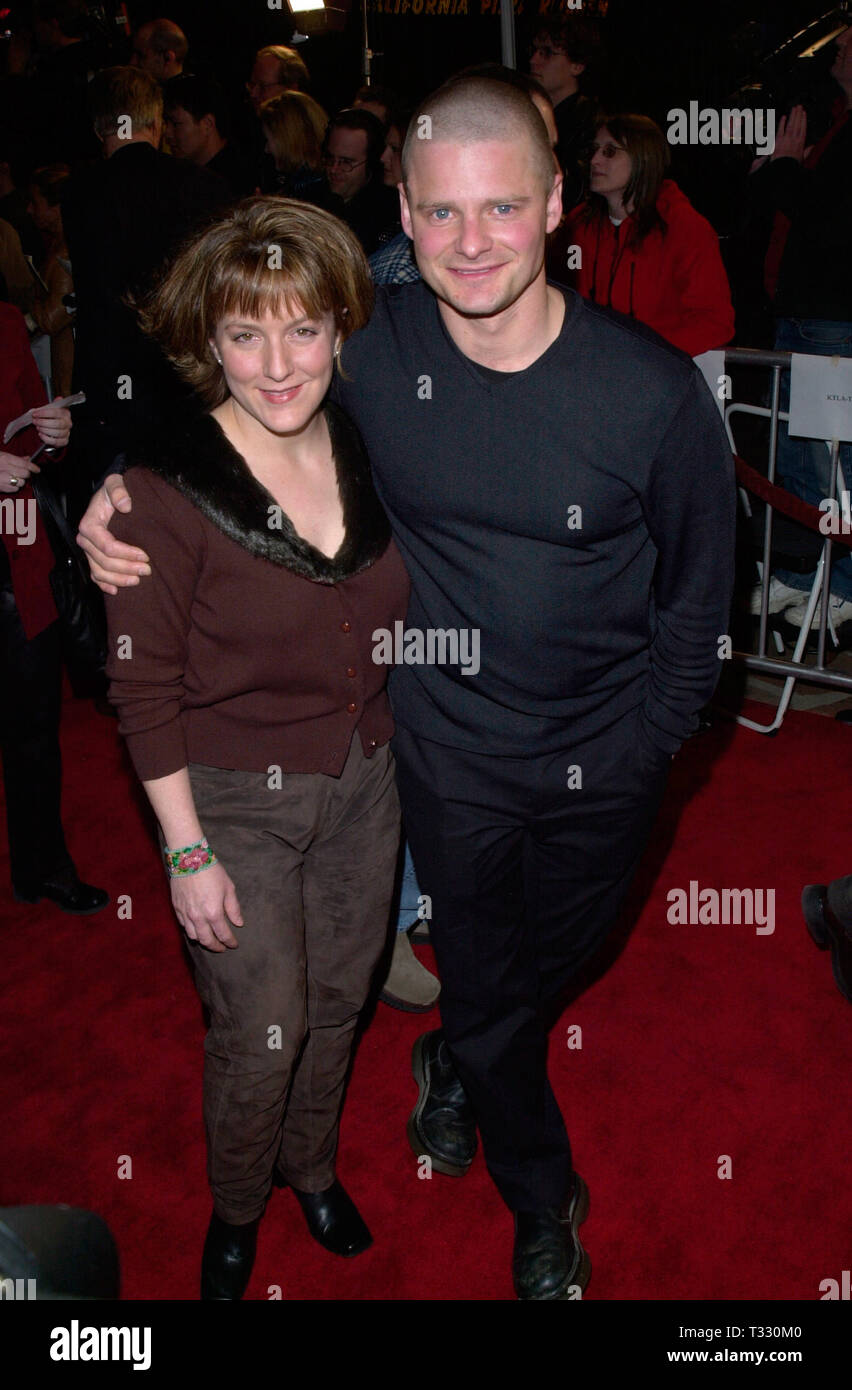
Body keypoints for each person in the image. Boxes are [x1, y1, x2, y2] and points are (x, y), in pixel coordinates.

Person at [79, 76, 736, 1301]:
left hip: (610, 760)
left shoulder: (652, 393)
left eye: (500, 209)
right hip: (443, 755)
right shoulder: (373, 355)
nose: (470, 242)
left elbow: (703, 605)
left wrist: (650, 744)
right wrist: (106, 497)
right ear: (403, 211)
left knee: (553, 967)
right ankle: (543, 1198)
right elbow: (225, 401)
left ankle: (456, 1055)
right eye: (440, 214)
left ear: (554, 212)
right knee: (492, 974)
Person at [96, 198, 409, 1300]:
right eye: (244, 334)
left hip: (366, 782)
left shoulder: (377, 438)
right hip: (230, 799)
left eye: (303, 329)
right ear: (206, 340)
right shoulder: (160, 491)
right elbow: (138, 685)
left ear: (339, 325)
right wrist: (185, 855)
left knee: (340, 998)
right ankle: (237, 1210)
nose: (278, 366)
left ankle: (311, 1169)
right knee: (263, 1028)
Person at [61, 66, 228, 476]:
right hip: (190, 379)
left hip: (110, 388)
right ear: (155, 120)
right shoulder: (205, 186)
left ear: (100, 126)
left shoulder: (80, 193)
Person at [0, 301, 107, 916]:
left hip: (16, 553)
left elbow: (36, 440)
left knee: (34, 729)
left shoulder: (8, 320)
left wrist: (55, 438)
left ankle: (42, 866)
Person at [747, 25, 852, 632]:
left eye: (850, 40)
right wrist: (777, 172)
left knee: (830, 464)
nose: (837, 45)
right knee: (793, 459)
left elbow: (830, 222)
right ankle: (800, 572)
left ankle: (840, 583)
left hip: (831, 324)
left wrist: (784, 171)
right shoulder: (836, 120)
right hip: (802, 319)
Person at [566, 114, 735, 358]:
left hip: (655, 378)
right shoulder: (578, 224)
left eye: (610, 152)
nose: (594, 160)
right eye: (594, 150)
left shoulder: (685, 227)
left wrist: (645, 356)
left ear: (642, 158)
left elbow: (715, 322)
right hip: (586, 370)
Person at [529, 14, 600, 211]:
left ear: (577, 65)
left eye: (547, 53)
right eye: (535, 50)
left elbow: (577, 191)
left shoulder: (590, 121)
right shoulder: (526, 112)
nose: (534, 60)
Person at [163, 74, 255, 199]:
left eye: (176, 124)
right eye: (165, 123)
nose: (167, 133)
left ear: (207, 124)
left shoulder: (234, 182)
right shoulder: (182, 173)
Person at [322, 109, 399, 256]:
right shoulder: (306, 195)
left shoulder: (390, 214)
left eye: (346, 162)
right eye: (330, 158)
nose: (334, 169)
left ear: (372, 162)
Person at [27, 164, 75, 398]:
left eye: (35, 203)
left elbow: (51, 319)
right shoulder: (56, 245)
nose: (29, 210)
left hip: (69, 369)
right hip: (57, 363)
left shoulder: (68, 252)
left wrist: (32, 307)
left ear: (56, 207)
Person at [259, 90, 330, 202]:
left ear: (288, 139)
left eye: (268, 140)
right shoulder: (308, 184)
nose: (266, 149)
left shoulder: (308, 194)